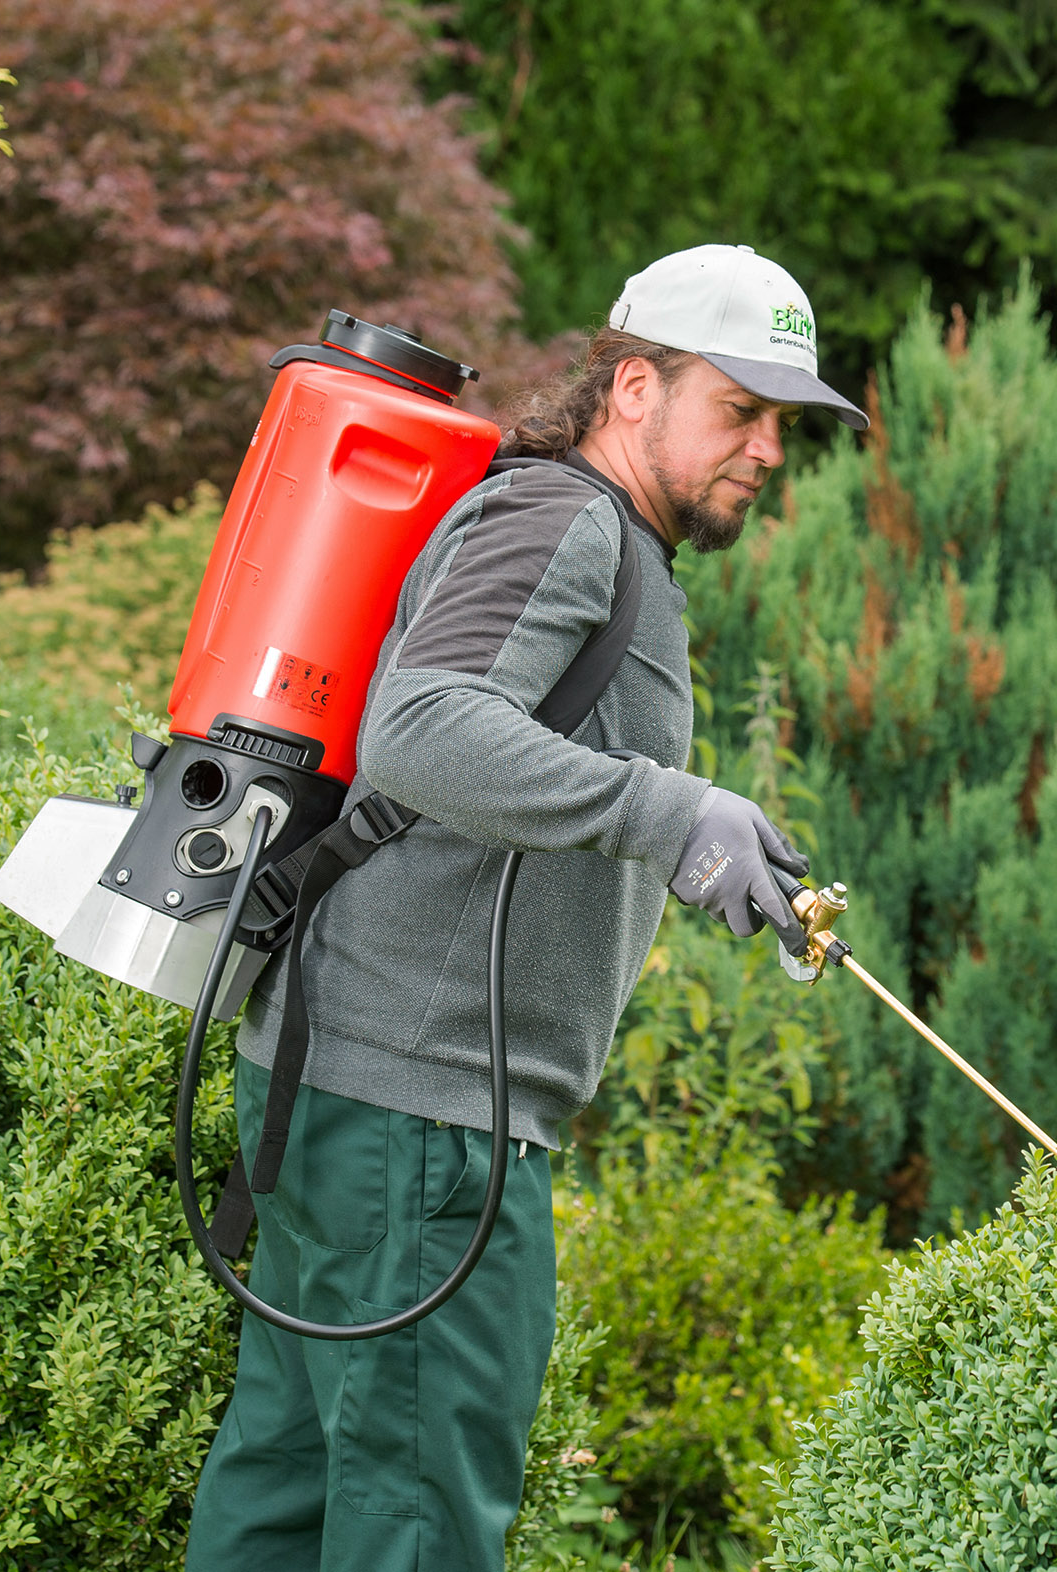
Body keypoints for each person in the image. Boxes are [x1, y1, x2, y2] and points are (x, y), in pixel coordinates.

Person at [184, 244, 868, 1571]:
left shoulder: (585, 532)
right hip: (424, 1129)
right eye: (739, 409)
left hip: (353, 1099)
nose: (769, 449)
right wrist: (668, 811)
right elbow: (422, 732)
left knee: (283, 1500)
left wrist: (707, 846)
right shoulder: (565, 523)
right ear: (629, 388)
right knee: (418, 1527)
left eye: (781, 421)